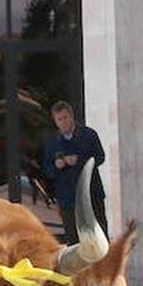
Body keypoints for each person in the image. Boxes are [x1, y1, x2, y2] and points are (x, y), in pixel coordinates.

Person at [43, 100, 108, 243]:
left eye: (65, 118)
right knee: (74, 241)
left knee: (99, 237)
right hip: (68, 199)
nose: (63, 122)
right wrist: (56, 165)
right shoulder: (52, 143)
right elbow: (47, 171)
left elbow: (100, 157)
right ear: (55, 122)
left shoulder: (88, 135)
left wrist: (80, 160)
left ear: (72, 117)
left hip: (92, 195)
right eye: (59, 119)